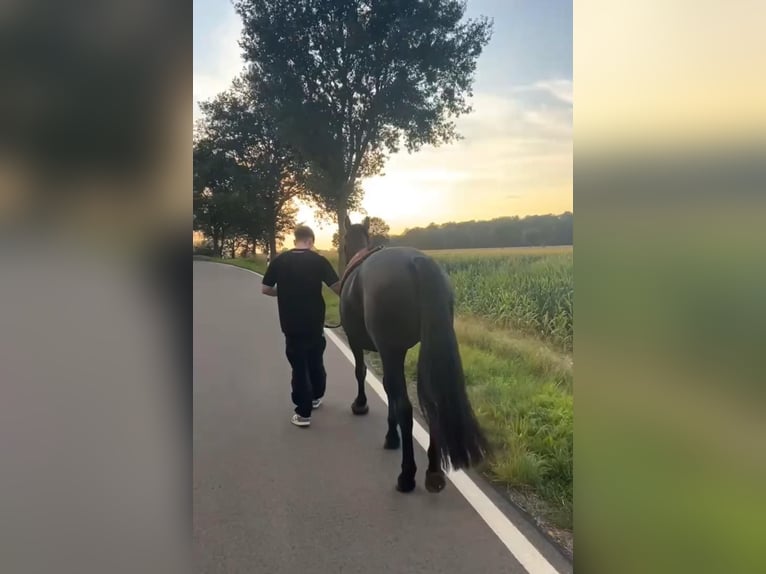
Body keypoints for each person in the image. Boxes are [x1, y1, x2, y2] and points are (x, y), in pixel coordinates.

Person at [261, 225, 341, 427]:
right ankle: (316, 397)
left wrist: (285, 292)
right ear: (311, 240)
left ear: (294, 239)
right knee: (316, 360)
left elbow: (265, 289)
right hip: (315, 322)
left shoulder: (280, 260)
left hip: (291, 323)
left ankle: (303, 414)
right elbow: (337, 287)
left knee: (298, 367)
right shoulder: (319, 260)